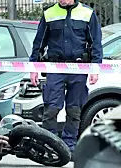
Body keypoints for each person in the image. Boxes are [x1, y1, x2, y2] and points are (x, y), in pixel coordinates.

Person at [29, 0, 102, 155]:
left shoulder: (87, 13)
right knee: (51, 108)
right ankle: (50, 145)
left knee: (74, 109)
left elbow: (96, 43)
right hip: (55, 67)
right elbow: (39, 43)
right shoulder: (49, 13)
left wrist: (95, 68)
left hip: (79, 68)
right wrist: (33, 68)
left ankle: (70, 145)